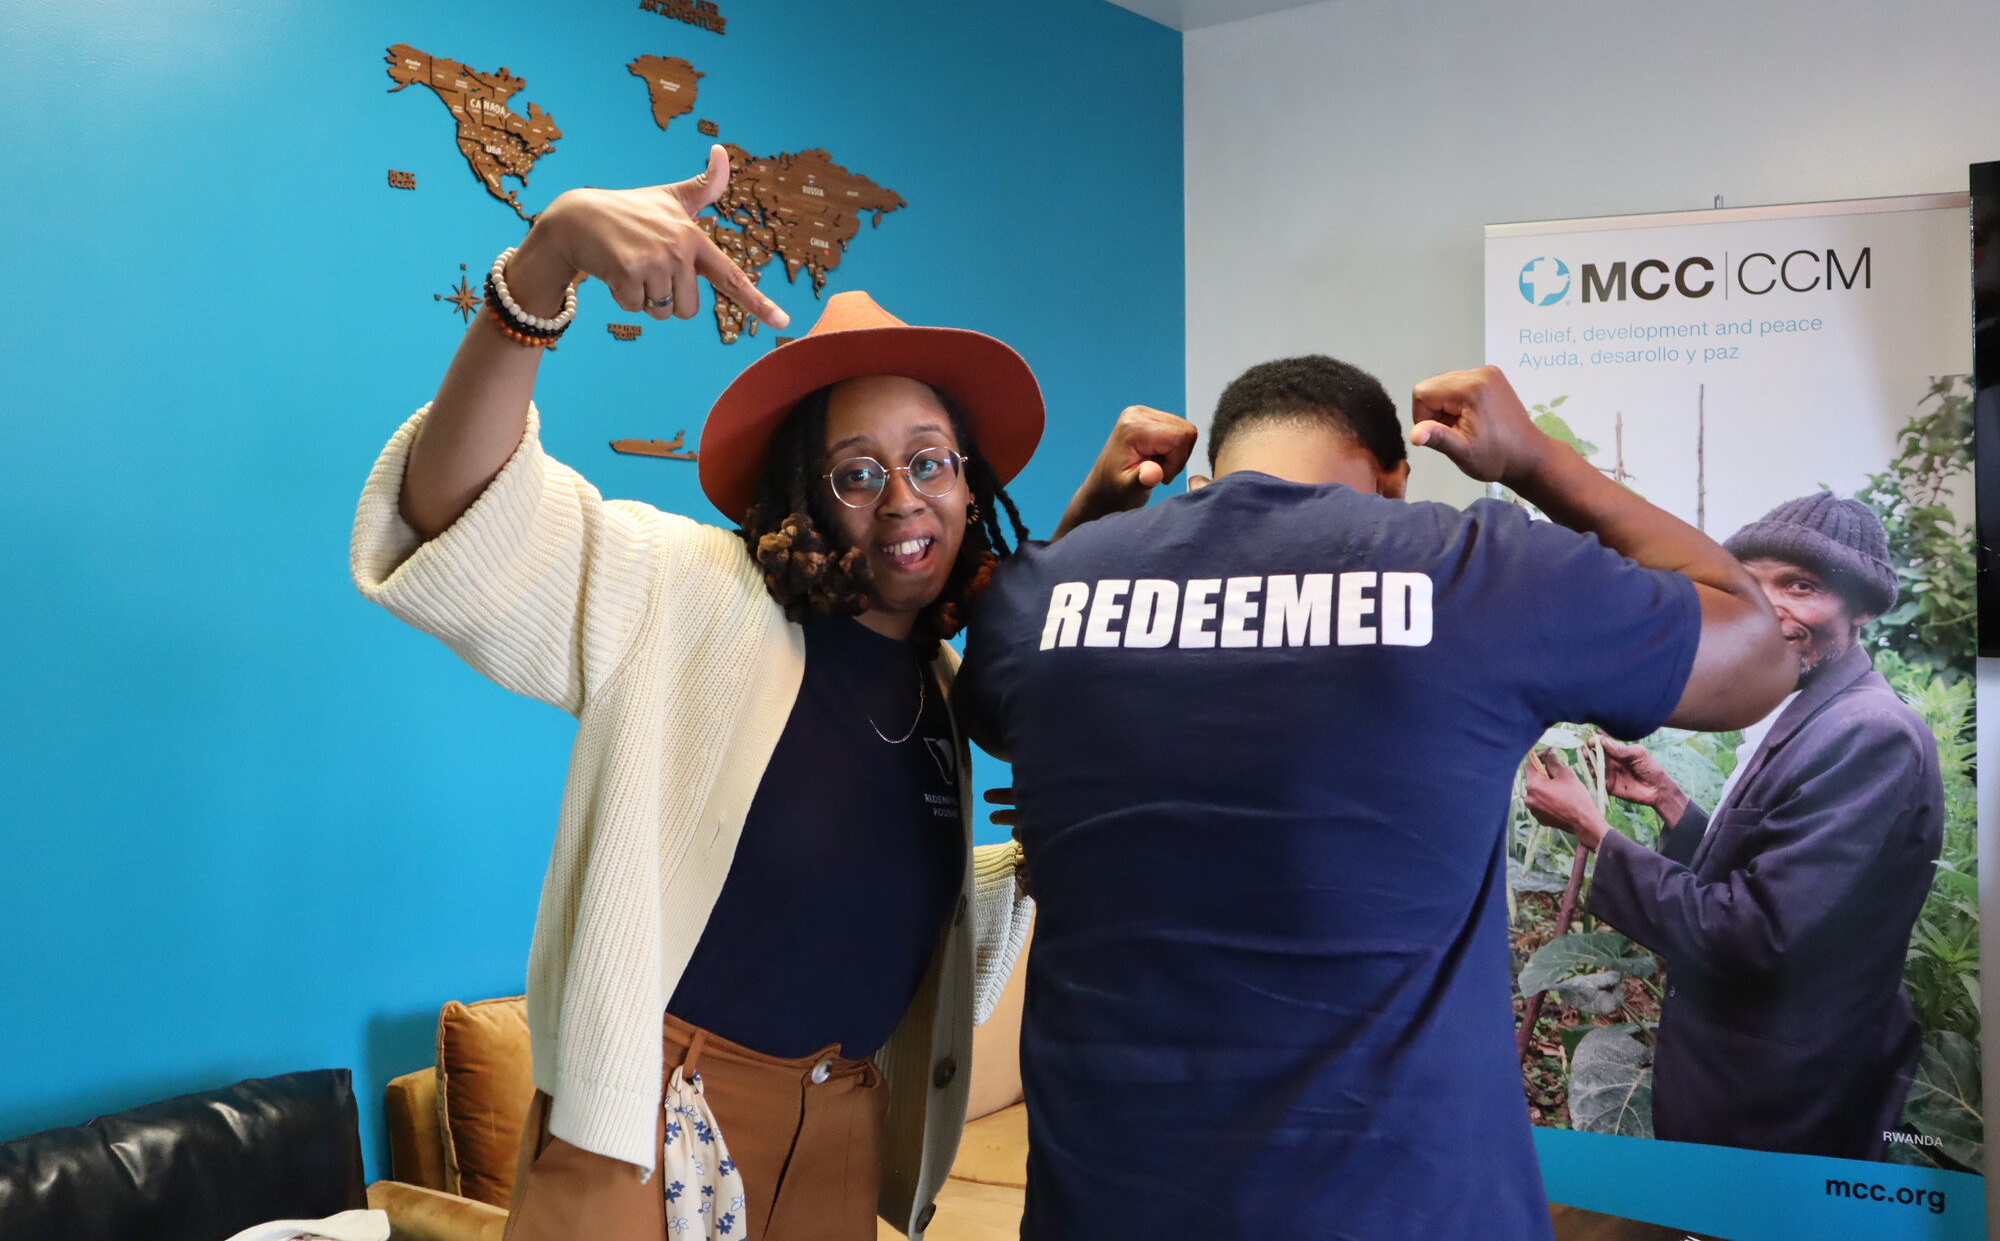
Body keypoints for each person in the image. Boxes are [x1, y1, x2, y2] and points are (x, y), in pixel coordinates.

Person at [351, 147, 1046, 1241]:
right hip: (652, 1126)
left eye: (931, 461)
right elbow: (455, 512)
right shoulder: (694, 592)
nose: (903, 498)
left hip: (842, 1138)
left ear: (972, 481)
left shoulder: (945, 689)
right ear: (804, 500)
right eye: (856, 472)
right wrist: (546, 263)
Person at [955, 356, 1794, 1240]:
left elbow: (1002, 707)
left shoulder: (1044, 597)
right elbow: (1758, 654)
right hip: (1412, 1209)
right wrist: (1534, 459)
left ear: (1204, 482)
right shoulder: (1476, 568)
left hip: (1110, 1211)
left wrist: (1094, 522)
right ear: (1392, 478)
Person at [1524, 493, 1944, 1161]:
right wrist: (1669, 803)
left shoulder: (1868, 734)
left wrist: (1596, 833)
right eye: (1753, 582)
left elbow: (1758, 933)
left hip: (1785, 1106)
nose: (1771, 606)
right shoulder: (1812, 707)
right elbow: (1782, 877)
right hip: (1756, 1085)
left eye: (1801, 586)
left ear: (1860, 609)